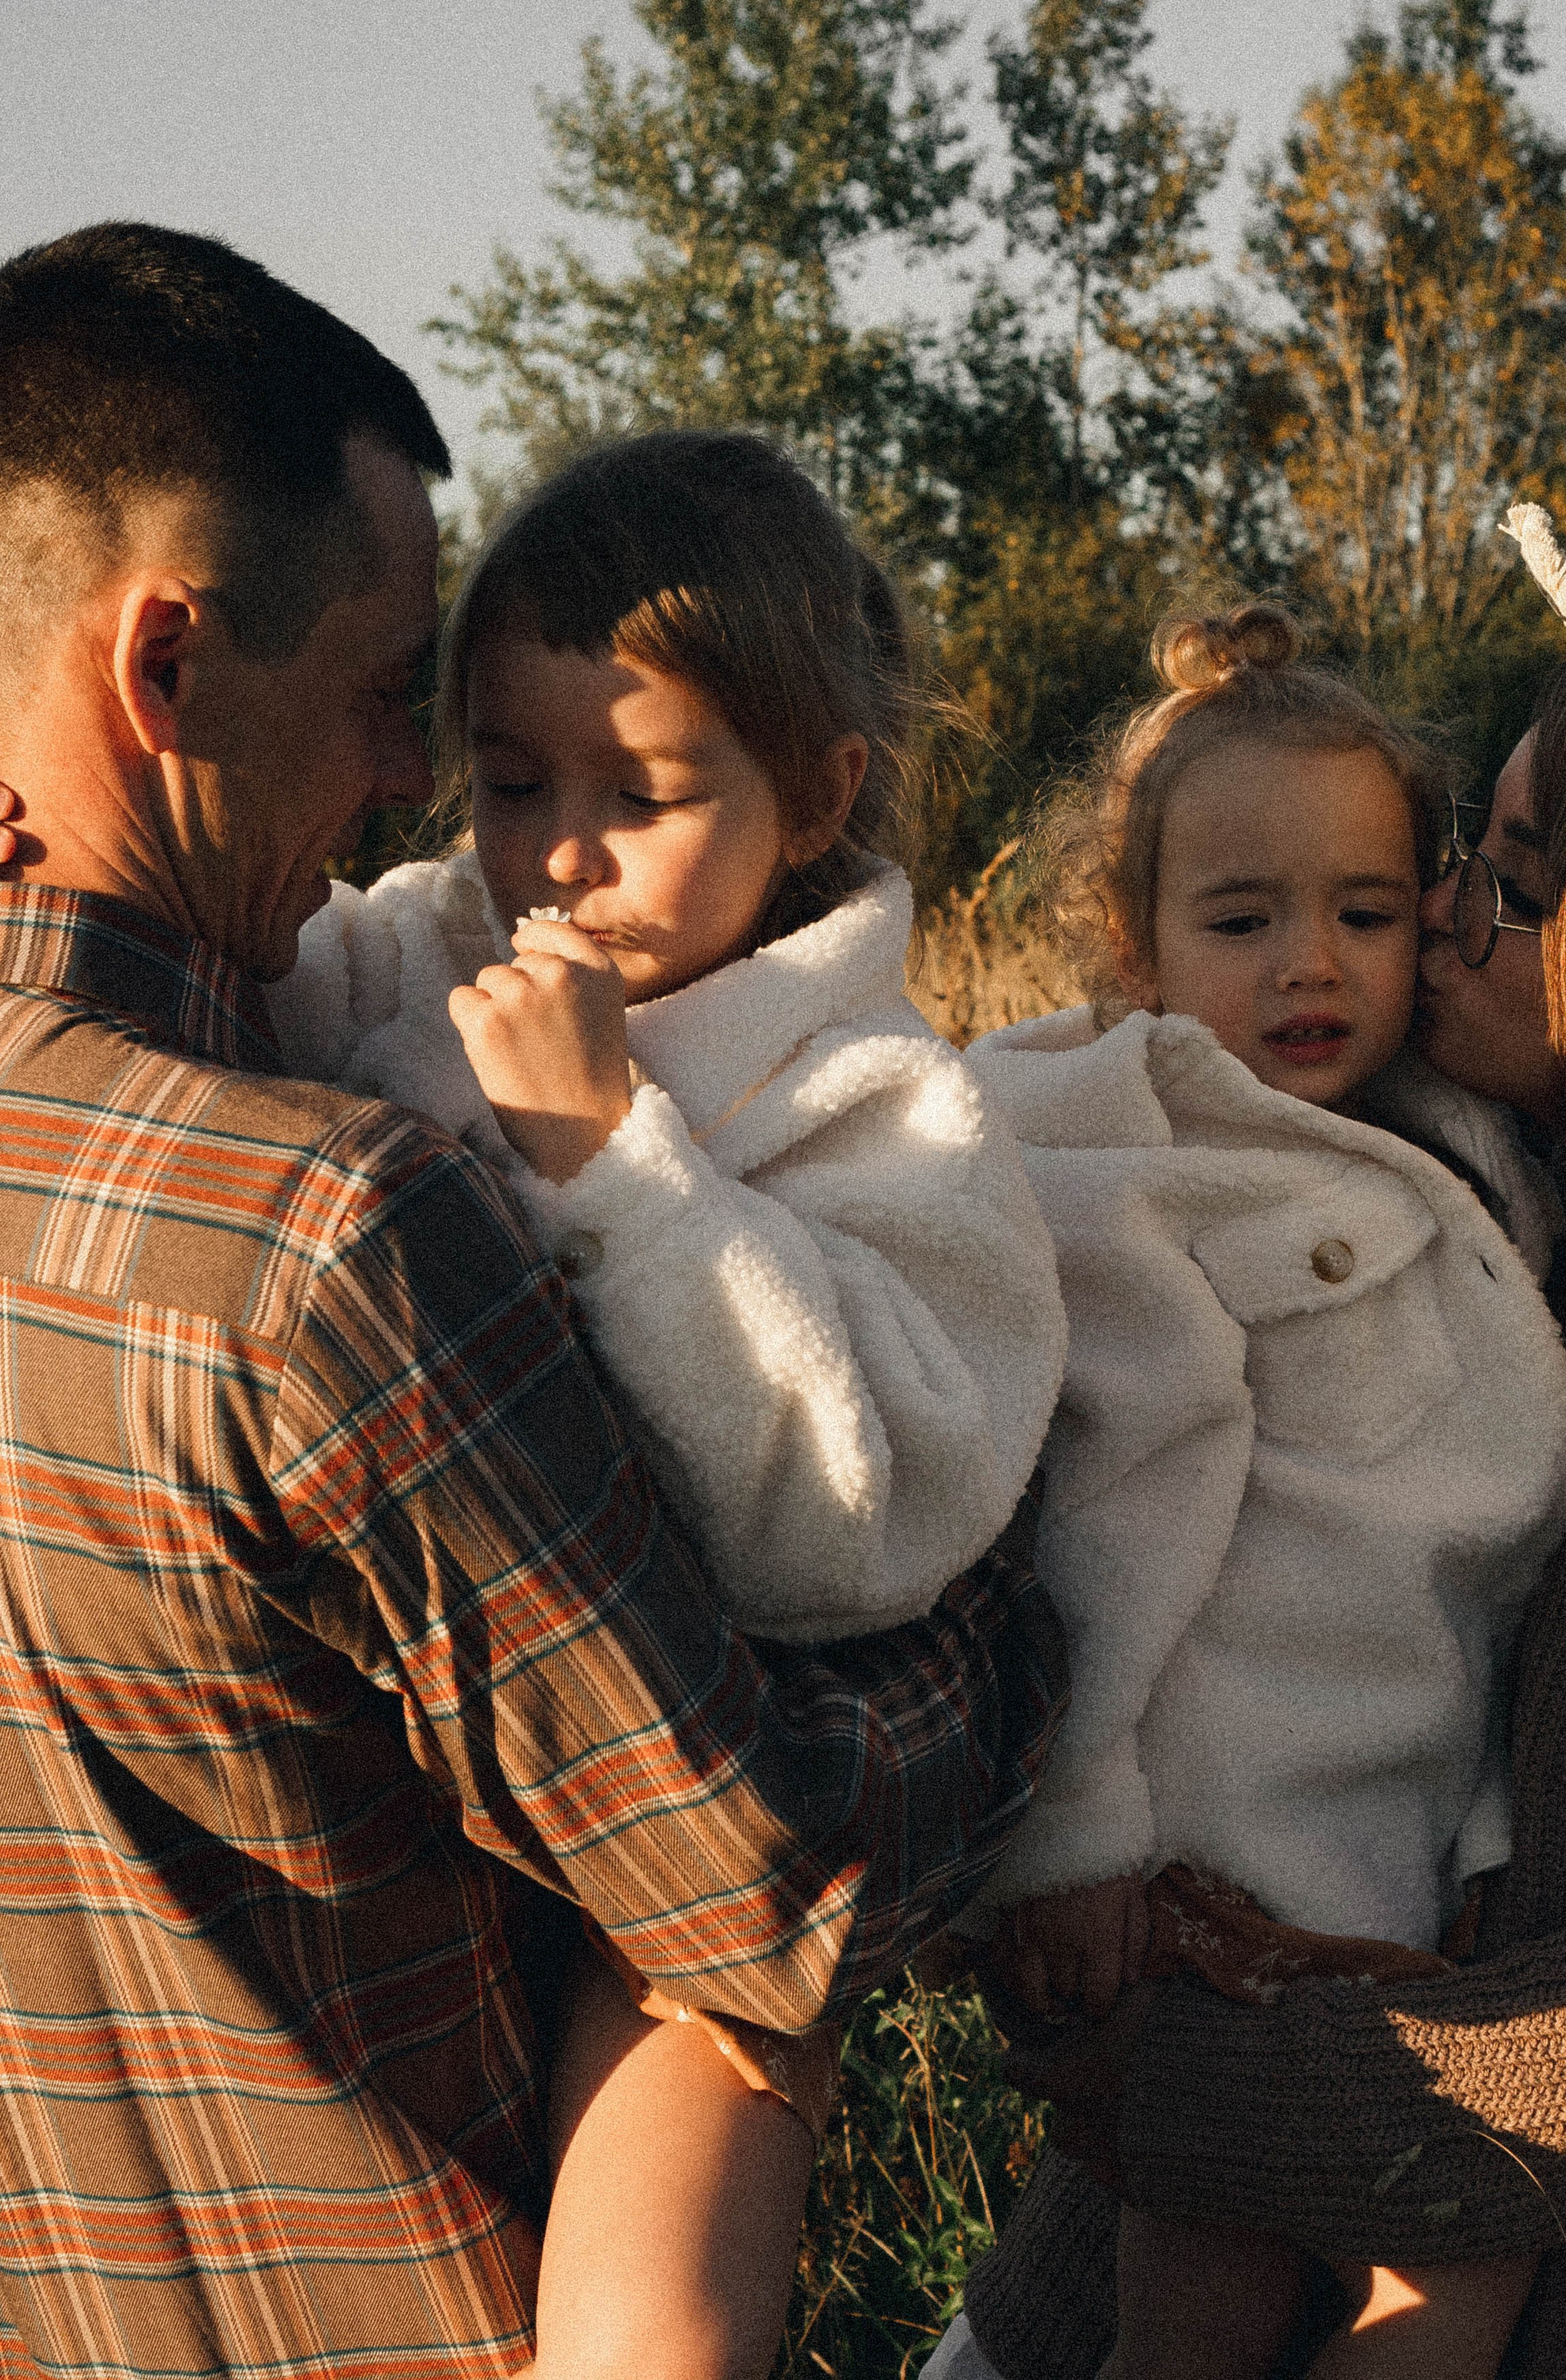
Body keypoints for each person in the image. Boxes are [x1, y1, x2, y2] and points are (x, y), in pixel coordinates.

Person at [0, 221, 1067, 2380]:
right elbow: (758, 1880)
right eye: (403, 708)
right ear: (167, 667)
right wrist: (1024, 1621)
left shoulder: (259, 1090)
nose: (412, 791)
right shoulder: (321, 1235)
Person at [942, 509, 1566, 2379]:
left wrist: (1229, 2090)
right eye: (1454, 875)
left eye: (1498, 882)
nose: (1436, 933)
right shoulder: (1475, 1197)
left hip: (1537, 2251)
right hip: (1179, 2176)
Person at [262, 428, 1069, 2379]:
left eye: (647, 794)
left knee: (652, 2333)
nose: (561, 856)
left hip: (683, 1849)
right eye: (514, 782)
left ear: (814, 795)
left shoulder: (882, 1107)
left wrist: (615, 1169)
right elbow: (225, 987)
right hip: (409, 1770)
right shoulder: (413, 954)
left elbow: (858, 1517)